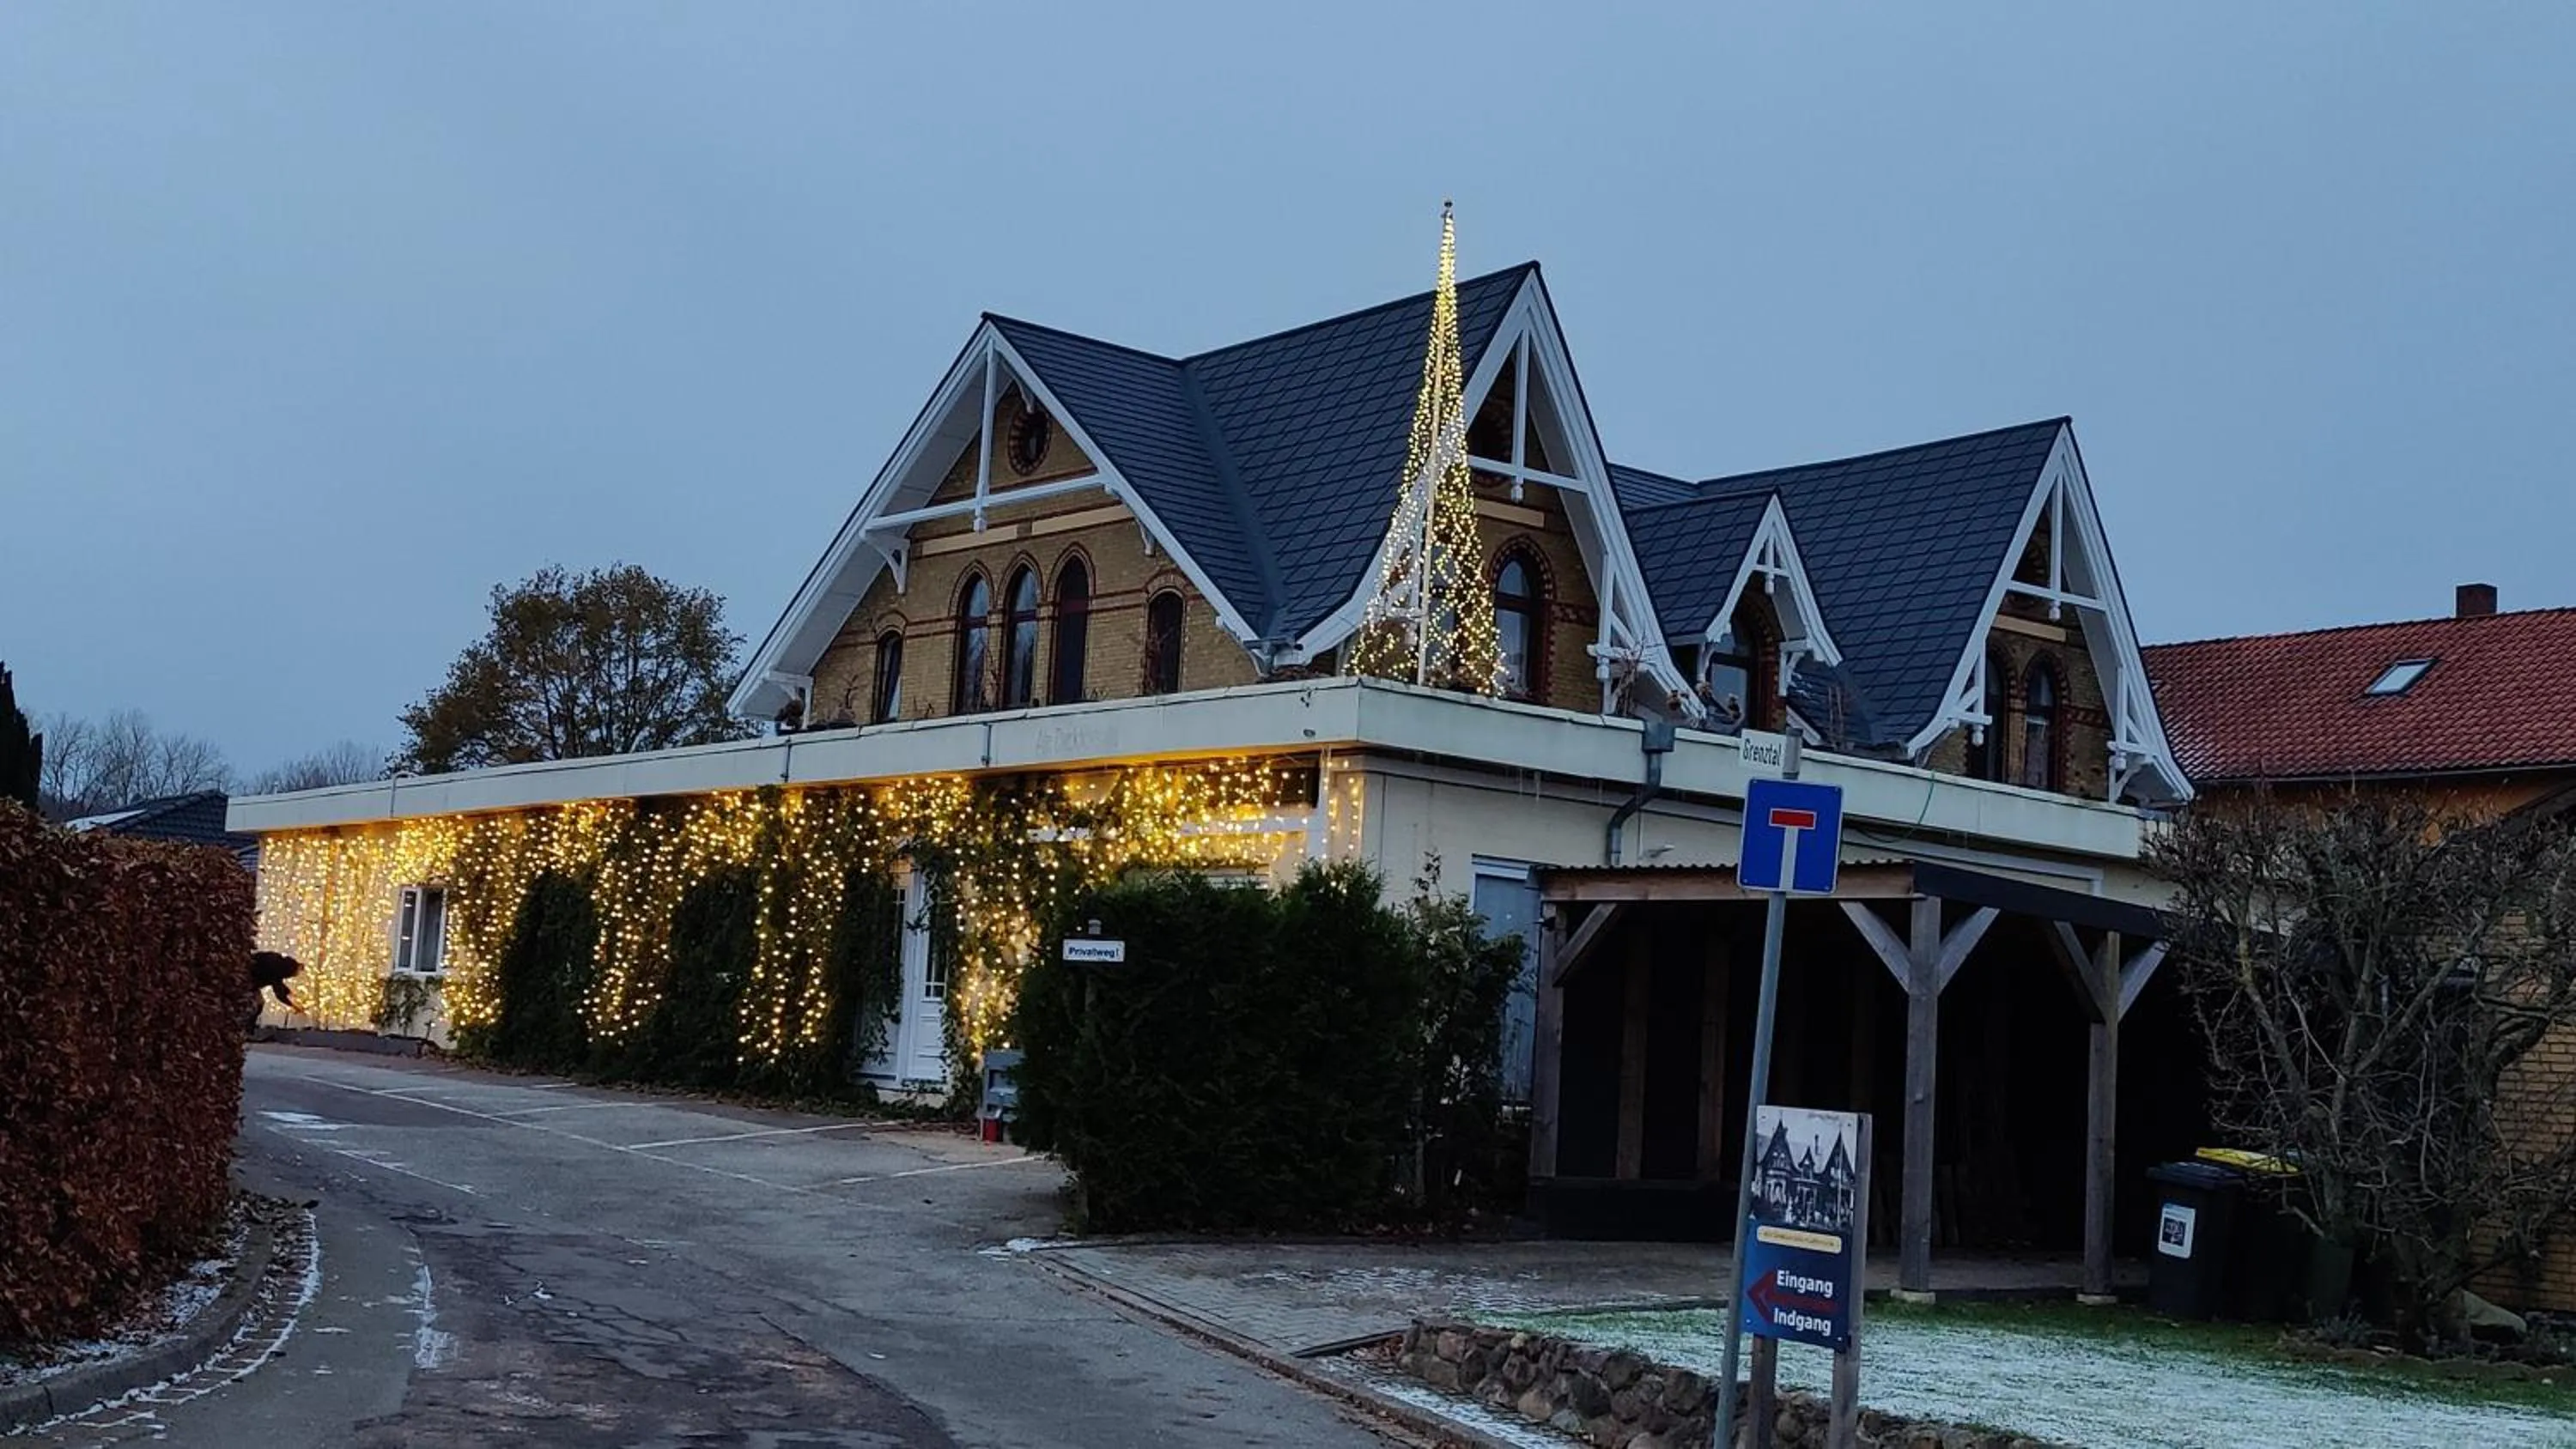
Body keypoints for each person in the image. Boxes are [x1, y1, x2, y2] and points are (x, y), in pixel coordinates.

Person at [247, 950, 303, 1032]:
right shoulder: (276, 971)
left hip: (248, 975)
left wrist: (290, 993)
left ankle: (247, 1028)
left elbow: (279, 983)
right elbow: (279, 993)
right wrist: (294, 1006)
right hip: (248, 981)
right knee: (258, 1005)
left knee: (258, 1004)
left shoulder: (277, 961)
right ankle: (247, 1029)